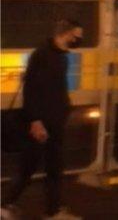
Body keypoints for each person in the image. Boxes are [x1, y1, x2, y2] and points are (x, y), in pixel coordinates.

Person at [2, 20, 84, 220]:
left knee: (53, 167)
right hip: (42, 122)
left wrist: (66, 105)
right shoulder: (42, 55)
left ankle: (51, 210)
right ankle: (8, 205)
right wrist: (36, 121)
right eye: (76, 36)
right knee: (30, 166)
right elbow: (31, 90)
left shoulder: (61, 56)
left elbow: (56, 88)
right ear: (65, 34)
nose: (78, 40)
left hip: (55, 120)